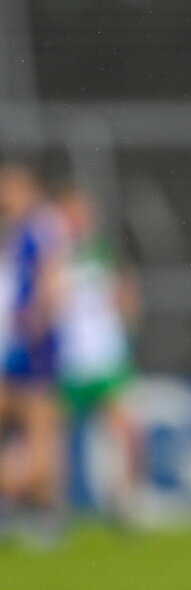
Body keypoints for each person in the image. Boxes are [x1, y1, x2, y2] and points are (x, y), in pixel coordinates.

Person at [55, 185, 143, 519]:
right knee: (55, 438)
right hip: (69, 360)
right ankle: (54, 508)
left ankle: (126, 501)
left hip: (106, 359)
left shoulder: (103, 253)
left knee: (127, 429)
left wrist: (127, 319)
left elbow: (126, 296)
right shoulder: (53, 257)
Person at [0, 162, 67, 530]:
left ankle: (45, 512)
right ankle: (26, 504)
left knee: (41, 428)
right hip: (21, 340)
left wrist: (36, 322)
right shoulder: (20, 228)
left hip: (35, 340)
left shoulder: (40, 224)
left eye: (8, 187)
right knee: (27, 424)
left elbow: (51, 276)